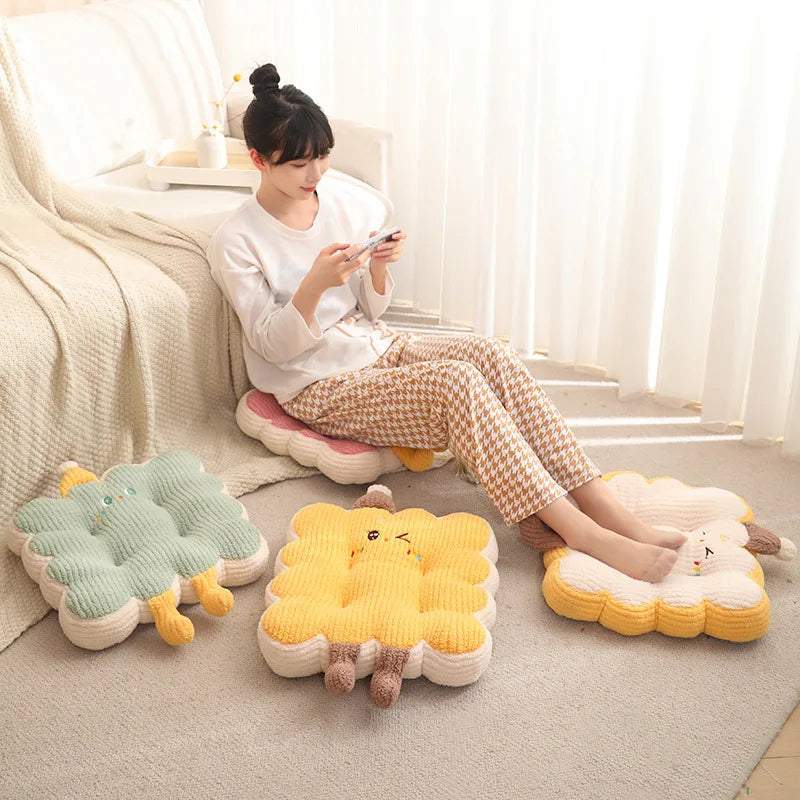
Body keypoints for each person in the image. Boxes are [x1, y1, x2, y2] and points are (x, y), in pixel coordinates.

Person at [207, 63, 686, 583]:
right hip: (317, 385)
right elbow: (271, 347)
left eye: (323, 156)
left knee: (491, 354)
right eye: (300, 163)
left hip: (375, 347)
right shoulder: (236, 241)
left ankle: (608, 508)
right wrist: (314, 285)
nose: (316, 173)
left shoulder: (342, 201)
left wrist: (380, 267)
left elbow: (371, 312)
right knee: (456, 384)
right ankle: (583, 533)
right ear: (257, 159)